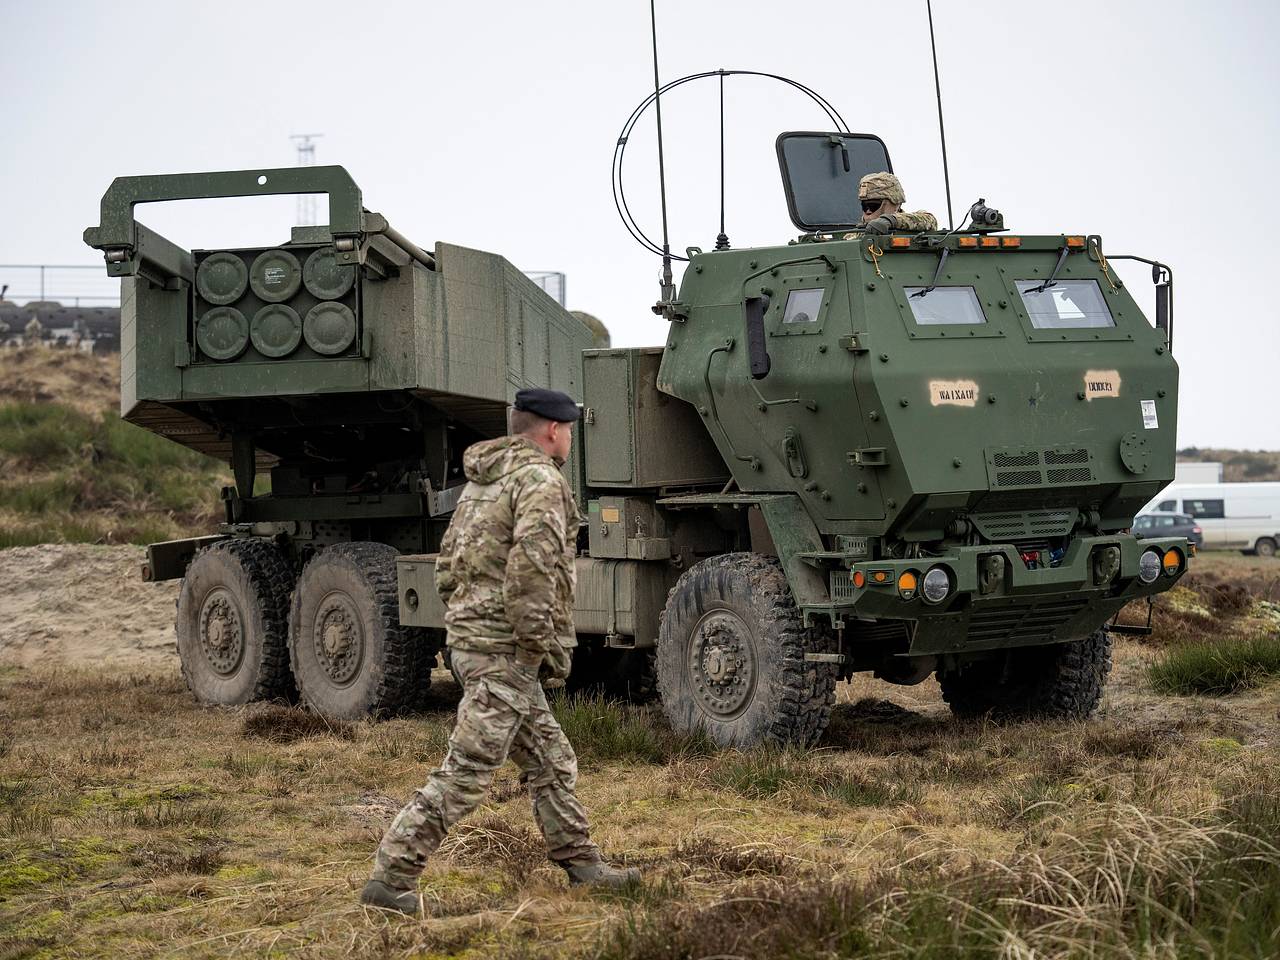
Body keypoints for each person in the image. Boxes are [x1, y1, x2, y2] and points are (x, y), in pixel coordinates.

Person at [361, 387, 639, 916]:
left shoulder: (482, 483)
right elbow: (533, 571)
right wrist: (539, 647)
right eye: (570, 430)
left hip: (476, 642)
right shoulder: (539, 481)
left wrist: (470, 625)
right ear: (553, 431)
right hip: (504, 652)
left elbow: (448, 566)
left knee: (552, 760)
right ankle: (391, 877)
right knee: (467, 772)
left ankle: (583, 865)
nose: (571, 438)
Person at [853, 171, 938, 235]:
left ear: (895, 205)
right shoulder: (854, 235)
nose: (868, 211)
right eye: (864, 206)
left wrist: (891, 220)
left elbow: (930, 220)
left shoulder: (912, 227)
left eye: (873, 206)